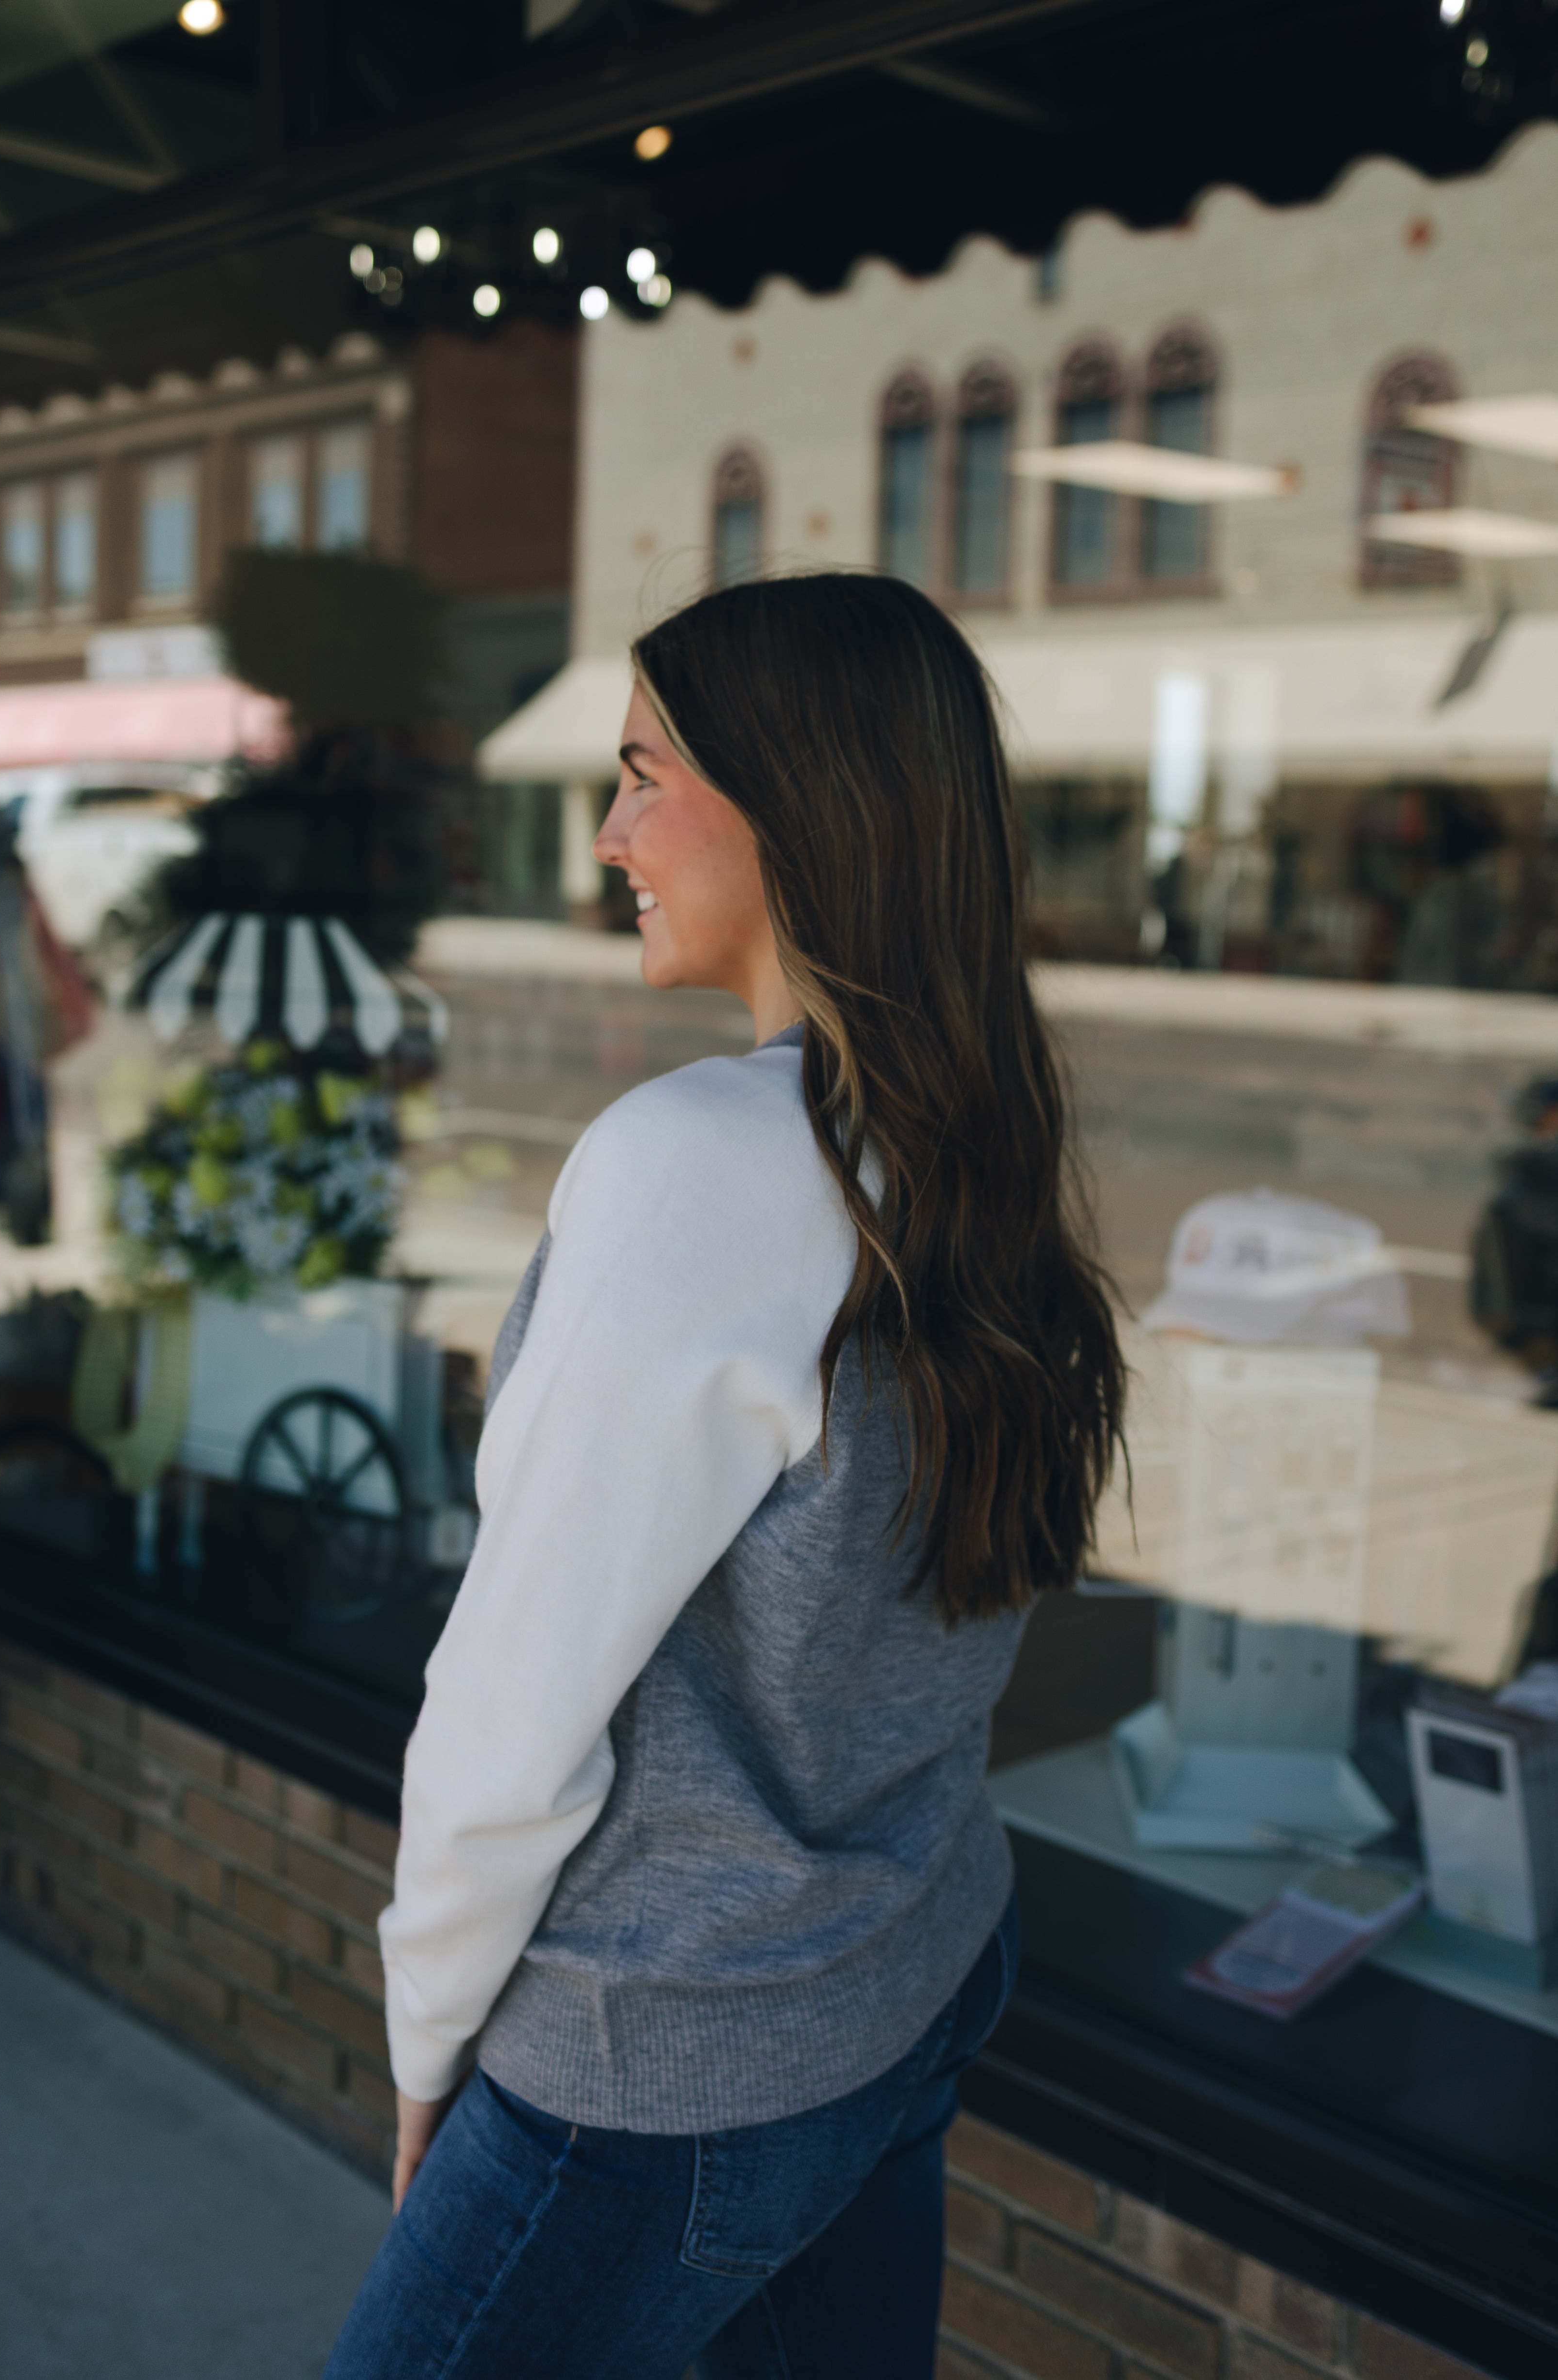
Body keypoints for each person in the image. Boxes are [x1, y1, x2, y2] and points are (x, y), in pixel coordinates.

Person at [323, 573, 1124, 2380]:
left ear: (802, 805)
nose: (609, 836)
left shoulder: (701, 1163)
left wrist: (428, 2033)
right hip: (912, 1967)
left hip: (667, 2062)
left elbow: (515, 1701)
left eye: (642, 776)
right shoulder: (966, 1146)